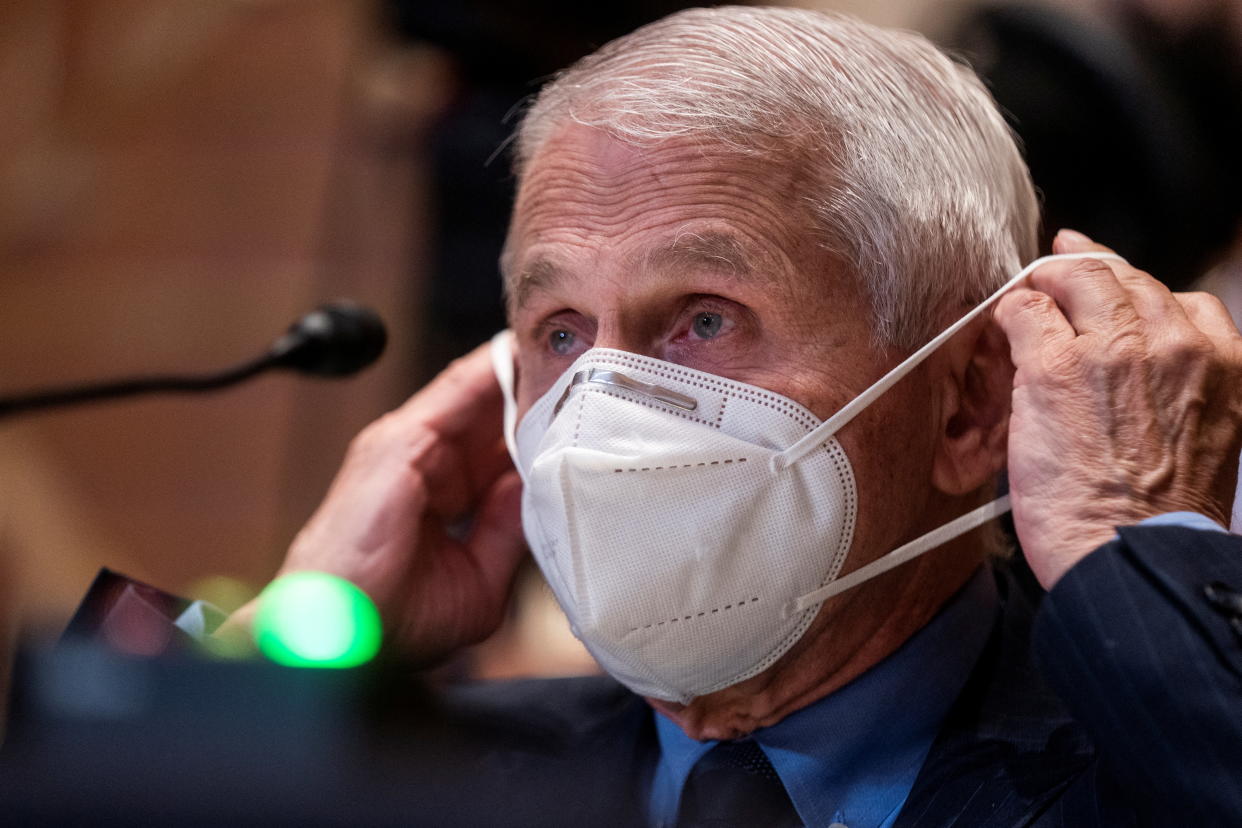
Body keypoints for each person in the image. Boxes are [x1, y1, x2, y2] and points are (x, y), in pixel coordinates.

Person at [216, 7, 1242, 826]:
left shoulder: (1153, 759)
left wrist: (1139, 549)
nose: (601, 415)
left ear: (969, 402)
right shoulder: (426, 770)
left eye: (704, 319)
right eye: (562, 333)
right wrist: (288, 640)